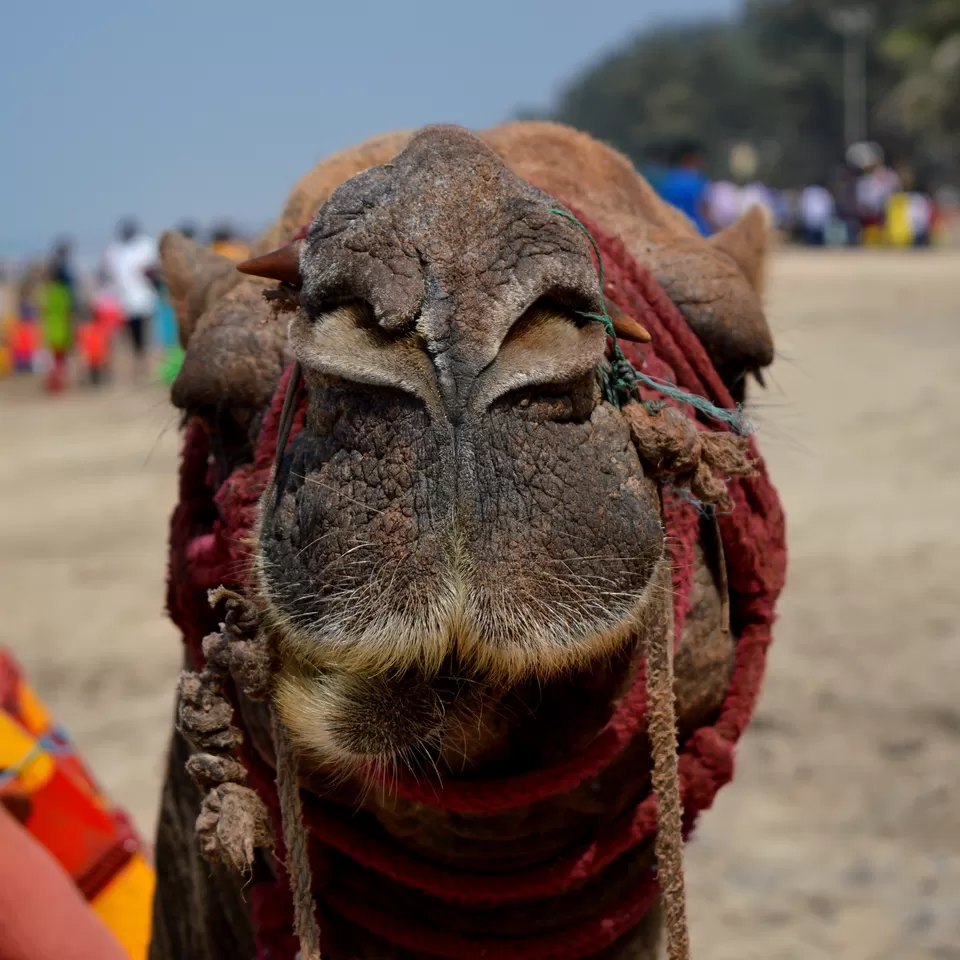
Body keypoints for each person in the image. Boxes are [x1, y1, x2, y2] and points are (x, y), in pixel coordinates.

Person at [101, 219, 159, 379]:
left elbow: (155, 270)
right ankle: (132, 367)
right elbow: (108, 274)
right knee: (127, 337)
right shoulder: (114, 251)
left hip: (145, 299)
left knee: (145, 335)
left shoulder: (146, 246)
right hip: (123, 302)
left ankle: (145, 366)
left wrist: (149, 274)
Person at [39, 240, 77, 393]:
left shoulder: (47, 293)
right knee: (61, 359)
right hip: (62, 329)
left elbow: (43, 311)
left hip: (50, 329)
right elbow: (69, 311)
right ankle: (60, 383)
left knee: (53, 360)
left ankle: (54, 383)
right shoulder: (64, 293)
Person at [658, 141, 712, 236]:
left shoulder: (666, 181)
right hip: (697, 232)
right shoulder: (696, 180)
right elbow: (704, 208)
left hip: (672, 232)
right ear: (689, 158)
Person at [799, 182, 835, 246]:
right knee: (817, 241)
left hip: (813, 219)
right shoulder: (824, 192)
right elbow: (829, 205)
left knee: (813, 241)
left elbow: (803, 206)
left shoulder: (808, 192)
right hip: (817, 218)